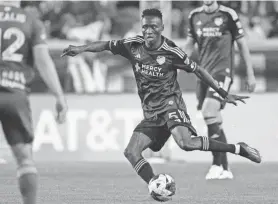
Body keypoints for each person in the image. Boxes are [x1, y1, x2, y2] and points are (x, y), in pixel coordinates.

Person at [62, 8, 260, 190]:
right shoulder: (132, 45)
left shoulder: (171, 51)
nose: (148, 30)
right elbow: (105, 45)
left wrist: (223, 92)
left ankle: (237, 148)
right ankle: (155, 184)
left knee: (186, 143)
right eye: (145, 26)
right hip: (151, 113)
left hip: (171, 105)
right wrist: (81, 48)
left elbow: (198, 70)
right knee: (131, 152)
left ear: (161, 28)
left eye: (153, 26)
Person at [0, 1, 67, 204]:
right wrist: (59, 97)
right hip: (15, 92)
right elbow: (43, 60)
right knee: (24, 160)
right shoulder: (30, 20)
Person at [183, 0, 256, 180]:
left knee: (209, 111)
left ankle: (216, 164)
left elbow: (242, 45)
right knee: (214, 119)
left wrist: (250, 73)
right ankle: (225, 168)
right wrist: (177, 64)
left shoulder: (228, 15)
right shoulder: (194, 16)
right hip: (203, 74)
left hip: (223, 73)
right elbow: (189, 44)